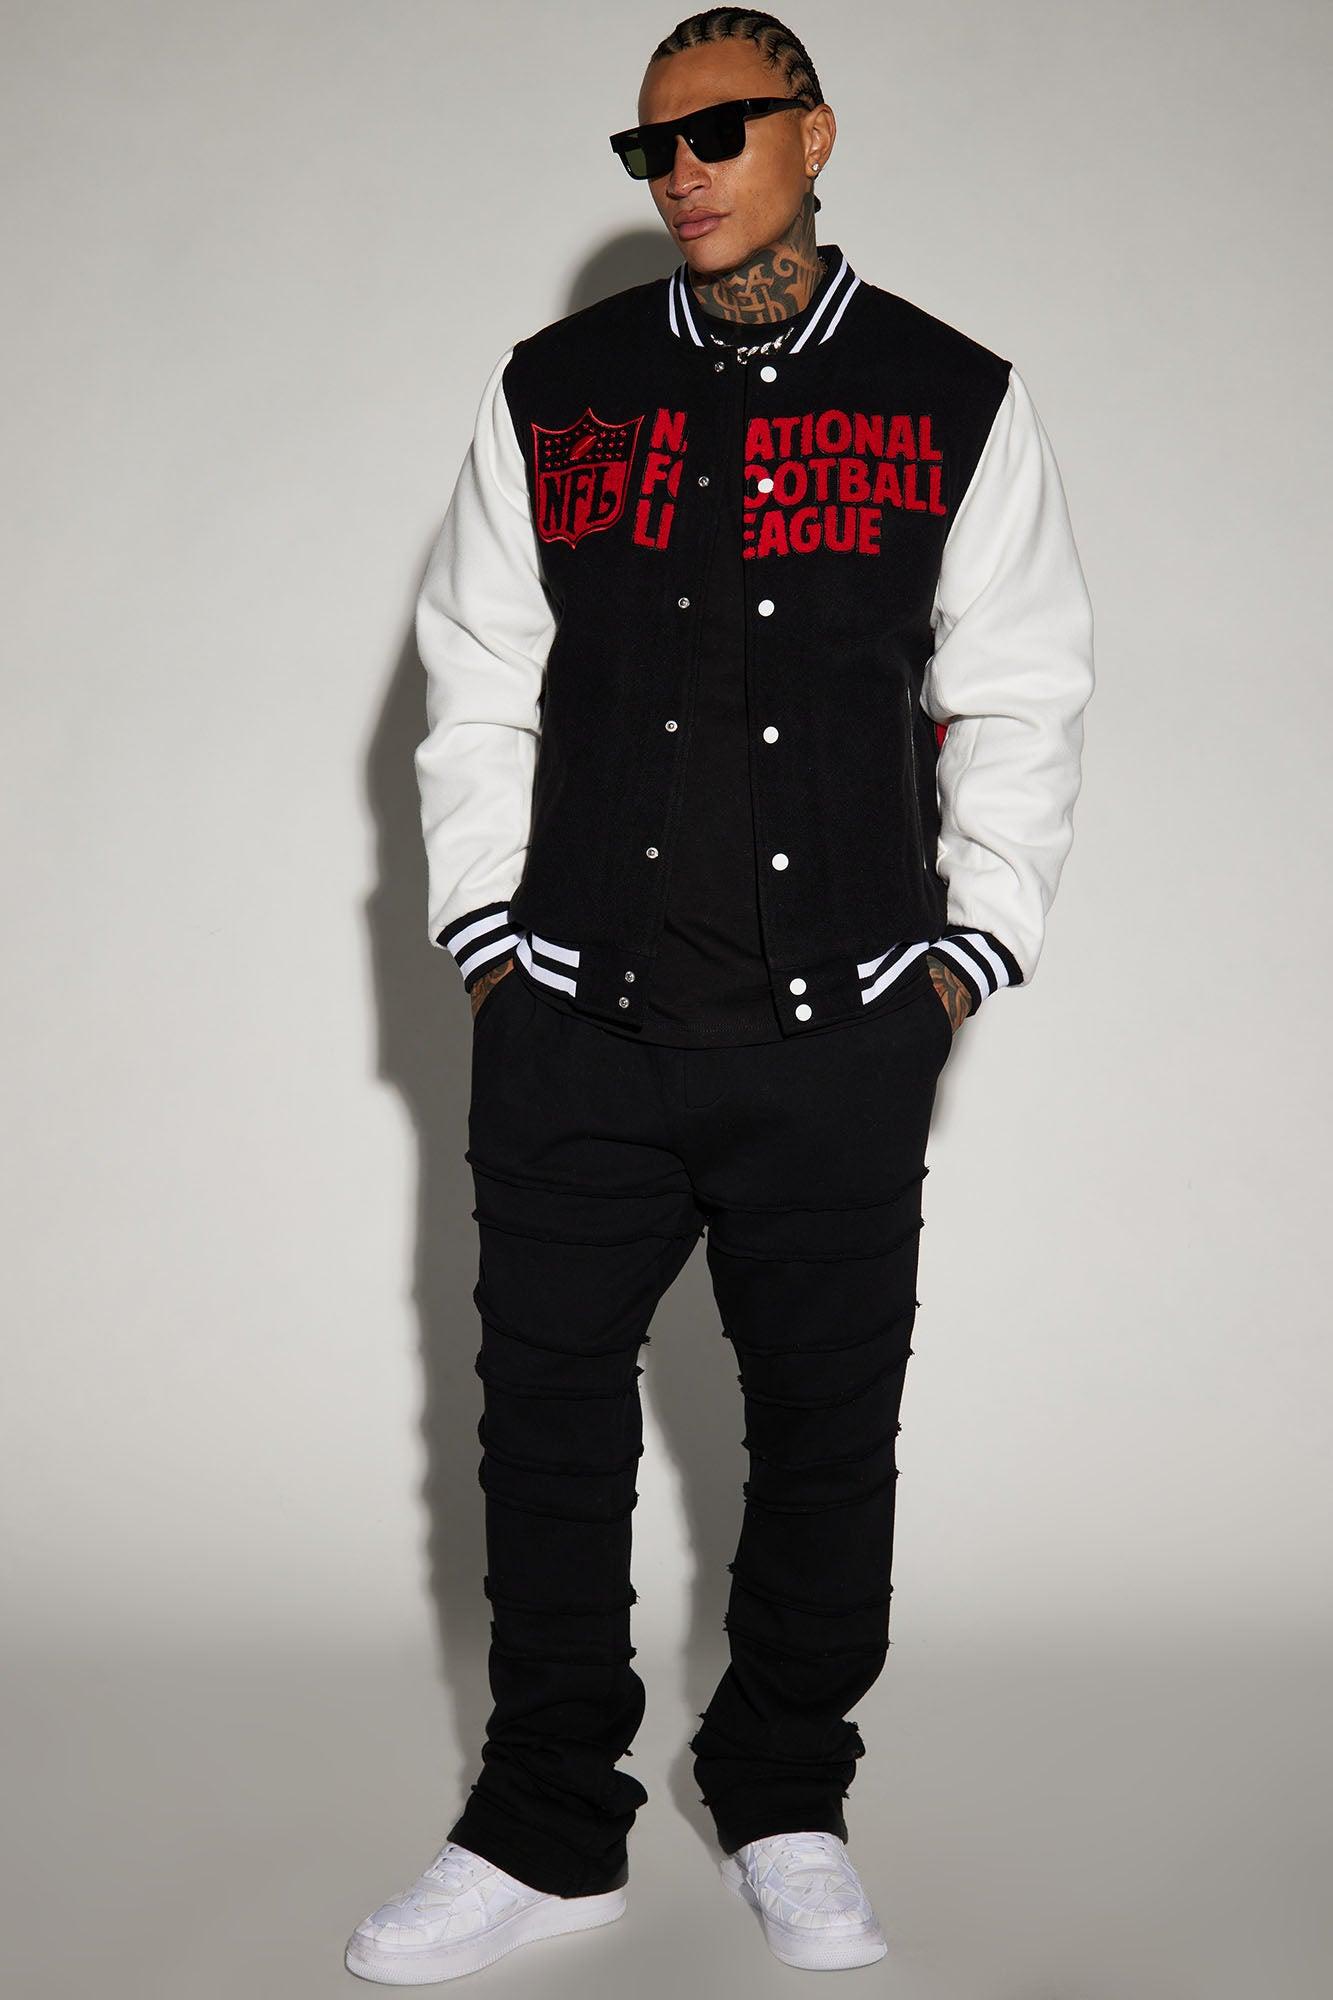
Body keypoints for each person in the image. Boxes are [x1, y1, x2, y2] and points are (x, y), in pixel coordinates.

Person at [346, 6, 1094, 1984]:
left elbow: (1021, 693)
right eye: (648, 146)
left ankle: (782, 1796)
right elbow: (474, 679)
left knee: (827, 1437)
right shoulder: (558, 390)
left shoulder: (950, 397)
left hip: (838, 1032)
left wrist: (961, 962)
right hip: (573, 1026)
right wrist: (486, 945)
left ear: (812, 134)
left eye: (719, 131)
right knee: (542, 1437)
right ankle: (542, 1831)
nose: (678, 171)